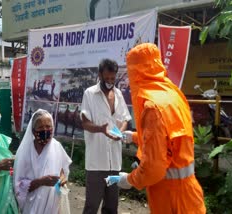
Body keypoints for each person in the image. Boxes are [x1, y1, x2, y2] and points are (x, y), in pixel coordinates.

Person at [114, 43, 206, 213]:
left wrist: (130, 179)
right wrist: (135, 136)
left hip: (170, 198)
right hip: (188, 193)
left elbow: (153, 168)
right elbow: (169, 138)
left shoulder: (151, 107)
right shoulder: (172, 93)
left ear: (136, 71)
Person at [81, 58, 131, 214]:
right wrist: (100, 130)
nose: (109, 81)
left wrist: (120, 132)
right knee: (91, 206)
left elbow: (125, 119)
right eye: (106, 77)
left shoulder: (118, 94)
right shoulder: (89, 94)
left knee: (111, 207)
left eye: (112, 78)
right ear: (100, 75)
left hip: (114, 163)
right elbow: (85, 123)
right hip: (96, 162)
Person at [13, 109, 72, 213]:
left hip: (52, 203)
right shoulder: (24, 151)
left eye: (48, 127)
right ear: (33, 131)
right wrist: (41, 182)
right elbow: (18, 185)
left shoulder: (56, 147)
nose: (45, 130)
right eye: (40, 127)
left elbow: (62, 169)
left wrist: (62, 179)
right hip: (31, 205)